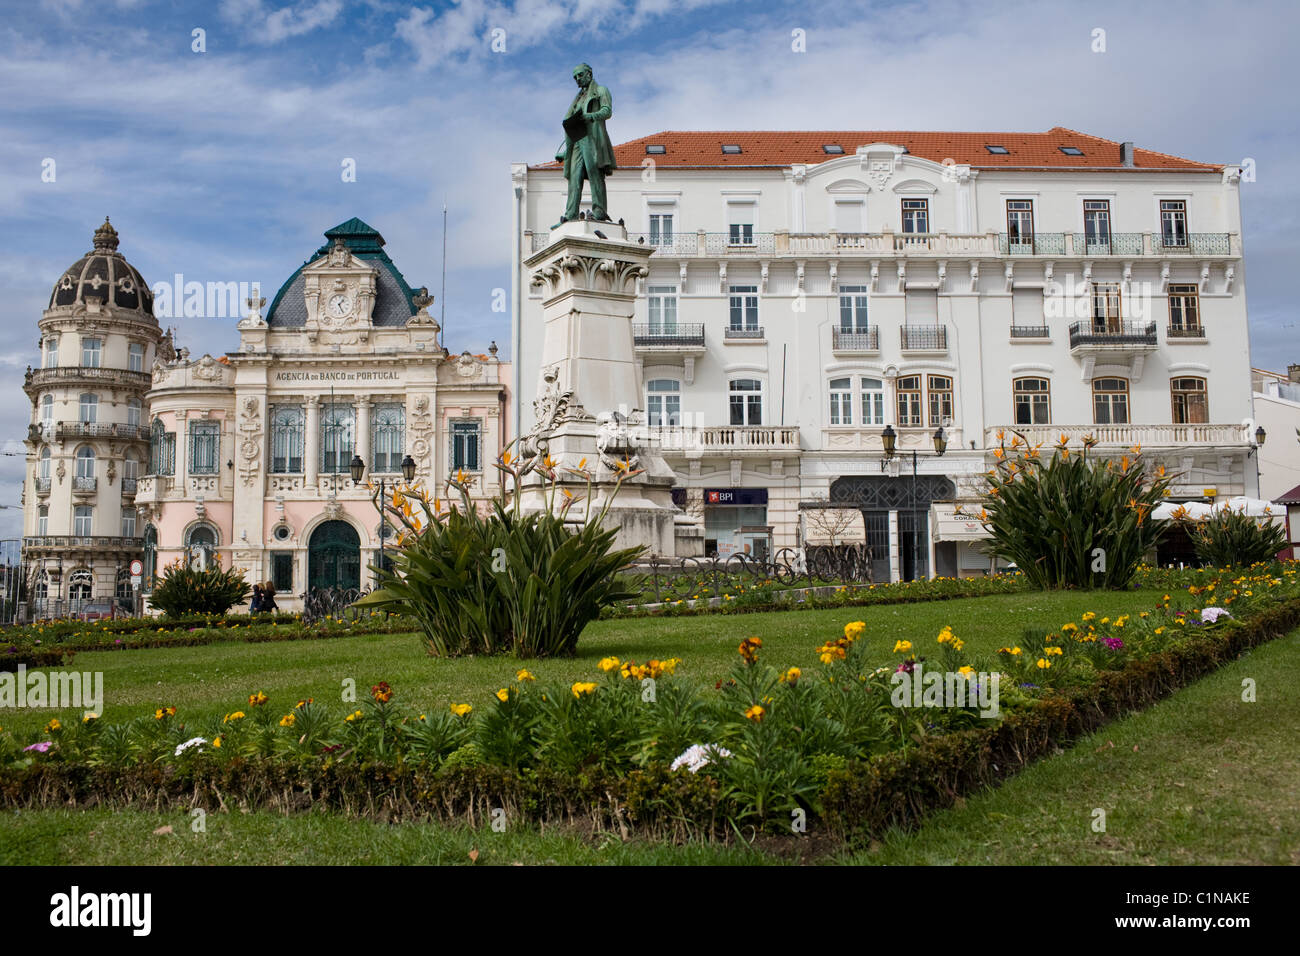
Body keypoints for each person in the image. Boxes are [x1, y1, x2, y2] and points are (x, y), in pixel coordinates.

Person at [555, 63, 615, 224]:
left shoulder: (601, 90)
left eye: (580, 75)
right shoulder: (578, 98)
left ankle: (599, 211)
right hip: (576, 141)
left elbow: (607, 110)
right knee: (574, 177)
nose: (577, 79)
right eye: (575, 77)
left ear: (589, 73)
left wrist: (590, 116)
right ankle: (570, 214)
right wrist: (565, 152)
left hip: (593, 139)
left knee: (595, 174)